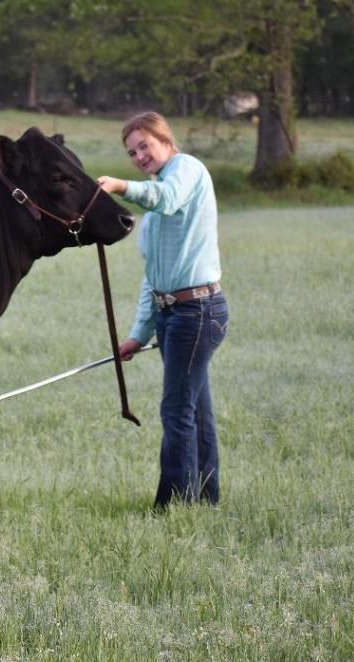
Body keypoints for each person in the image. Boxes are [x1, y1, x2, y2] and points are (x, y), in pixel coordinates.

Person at [96, 111, 229, 509]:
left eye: (144, 145)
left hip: (199, 311)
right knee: (195, 410)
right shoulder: (156, 193)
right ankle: (205, 498)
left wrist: (120, 186)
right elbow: (153, 277)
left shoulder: (186, 171)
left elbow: (166, 200)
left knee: (176, 411)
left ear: (165, 140)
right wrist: (140, 333)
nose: (139, 156)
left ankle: (173, 505)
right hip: (173, 314)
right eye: (131, 152)